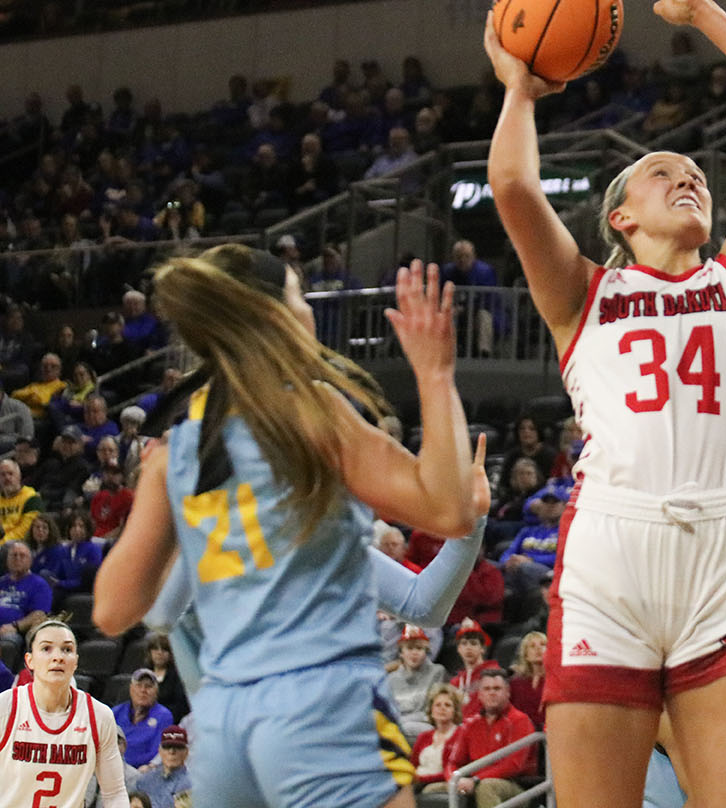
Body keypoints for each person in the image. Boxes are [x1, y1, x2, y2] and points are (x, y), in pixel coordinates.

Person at [482, 0, 726, 808]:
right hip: (610, 551)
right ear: (621, 218)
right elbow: (514, 189)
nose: (690, 181)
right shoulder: (581, 293)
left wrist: (699, 11)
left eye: (699, 176)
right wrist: (520, 86)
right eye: (664, 174)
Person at [93, 249, 479, 808]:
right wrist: (436, 375)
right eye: (300, 295)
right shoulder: (313, 415)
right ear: (274, 317)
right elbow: (450, 511)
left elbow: (111, 610)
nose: (308, 309)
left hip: (224, 726)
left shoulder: (176, 451)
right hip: (325, 705)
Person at [0, 619, 128, 808]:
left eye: (67, 649)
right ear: (29, 661)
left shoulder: (98, 716)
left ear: (75, 661)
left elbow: (115, 792)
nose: (58, 657)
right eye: (46, 649)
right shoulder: (6, 707)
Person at [446, 671, 537, 808]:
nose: (492, 693)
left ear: (507, 692)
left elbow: (513, 765)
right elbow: (453, 762)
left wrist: (476, 780)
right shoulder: (470, 724)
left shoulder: (520, 721)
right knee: (432, 790)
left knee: (486, 787)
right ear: (480, 694)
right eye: (487, 689)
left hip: (516, 785)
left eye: (497, 689)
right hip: (473, 782)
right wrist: (454, 780)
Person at [388, 625, 448, 740]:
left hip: (426, 725)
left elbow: (431, 711)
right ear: (401, 653)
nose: (414, 653)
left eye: (419, 648)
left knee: (404, 728)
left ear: (426, 652)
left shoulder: (437, 672)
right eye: (410, 648)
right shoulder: (392, 678)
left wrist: (399, 722)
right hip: (398, 725)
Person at [111, 669, 173, 769]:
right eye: (139, 685)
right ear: (131, 689)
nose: (143, 690)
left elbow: (157, 751)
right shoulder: (115, 712)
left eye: (148, 686)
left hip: (143, 770)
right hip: (114, 767)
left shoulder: (164, 716)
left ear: (156, 691)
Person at [412, 684, 464, 791]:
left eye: (448, 705)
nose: (442, 708)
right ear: (431, 710)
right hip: (417, 781)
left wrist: (421, 779)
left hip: (440, 782)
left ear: (455, 711)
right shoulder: (423, 736)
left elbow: (451, 771)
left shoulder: (461, 735)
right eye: (438, 705)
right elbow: (412, 765)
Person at [134, 726, 192, 808]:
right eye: (167, 746)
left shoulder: (193, 784)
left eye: (178, 747)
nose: (172, 751)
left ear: (186, 752)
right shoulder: (144, 780)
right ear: (160, 751)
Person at [508, 631, 547, 729]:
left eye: (543, 645)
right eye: (532, 646)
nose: (538, 648)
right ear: (526, 655)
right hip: (521, 733)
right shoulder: (515, 683)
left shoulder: (555, 680)